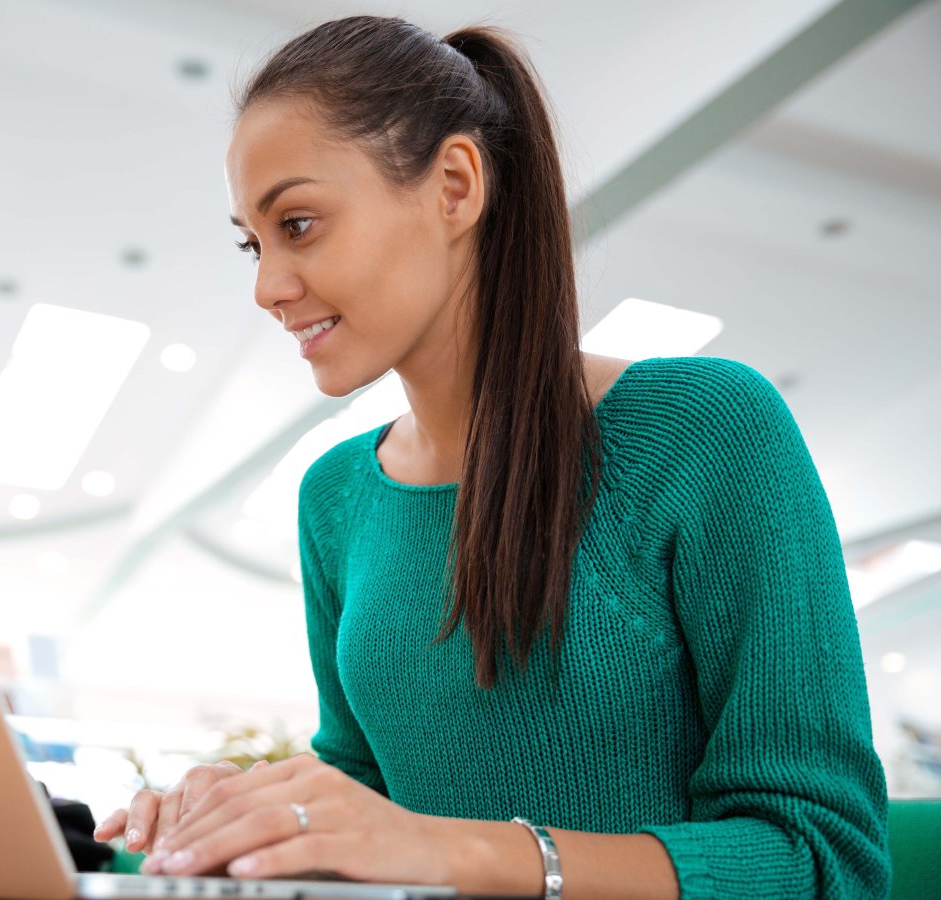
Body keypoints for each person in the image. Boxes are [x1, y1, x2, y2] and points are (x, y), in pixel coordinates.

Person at [93, 16, 889, 900]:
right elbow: (369, 785)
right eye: (254, 241)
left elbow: (824, 860)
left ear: (456, 186)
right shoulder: (335, 499)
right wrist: (254, 812)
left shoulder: (705, 431)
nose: (266, 285)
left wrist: (463, 854)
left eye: (300, 223)